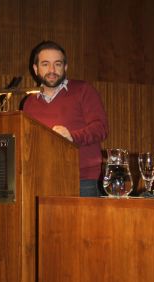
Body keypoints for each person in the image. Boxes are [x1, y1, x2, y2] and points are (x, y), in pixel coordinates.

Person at [23, 40, 108, 196]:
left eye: (58, 64)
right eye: (45, 64)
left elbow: (100, 128)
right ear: (35, 69)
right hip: (43, 180)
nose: (52, 70)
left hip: (82, 180)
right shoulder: (29, 102)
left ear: (65, 67)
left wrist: (71, 137)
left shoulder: (83, 90)